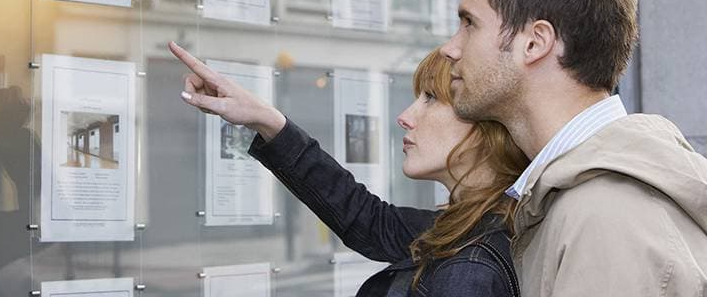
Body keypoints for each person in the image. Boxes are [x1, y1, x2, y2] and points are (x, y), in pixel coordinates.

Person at [440, 0, 707, 296]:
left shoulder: (605, 217)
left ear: (534, 43)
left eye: (469, 23)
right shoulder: (579, 197)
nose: (450, 48)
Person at [169, 42, 529, 297]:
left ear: (486, 126)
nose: (405, 117)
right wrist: (267, 121)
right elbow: (367, 219)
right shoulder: (470, 226)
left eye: (430, 98)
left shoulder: (472, 266)